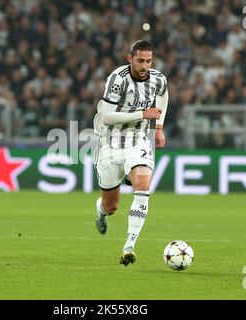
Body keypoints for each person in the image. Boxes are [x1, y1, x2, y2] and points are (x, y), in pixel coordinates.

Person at [93, 40, 169, 266]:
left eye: (149, 60)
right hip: (111, 143)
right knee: (112, 206)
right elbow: (107, 116)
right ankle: (101, 210)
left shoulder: (158, 79)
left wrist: (159, 127)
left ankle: (129, 245)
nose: (145, 65)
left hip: (139, 142)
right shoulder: (118, 79)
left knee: (143, 185)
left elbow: (164, 96)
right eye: (140, 61)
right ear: (130, 59)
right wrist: (142, 114)